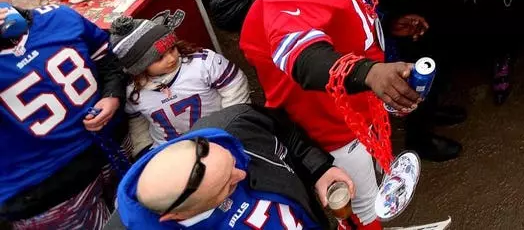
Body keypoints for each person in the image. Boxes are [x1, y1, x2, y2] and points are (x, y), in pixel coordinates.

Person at [238, 0, 476, 224]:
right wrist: (368, 72)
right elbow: (301, 54)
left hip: (360, 113)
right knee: (363, 212)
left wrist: (386, 27)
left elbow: (346, 12)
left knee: (375, 187)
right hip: (333, 132)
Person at [109, 104, 354, 230]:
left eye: (233, 161)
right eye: (228, 185)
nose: (243, 174)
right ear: (177, 216)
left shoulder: (235, 125)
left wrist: (318, 169)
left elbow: (285, 133)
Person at [0, 0, 125, 229]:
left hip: (111, 147)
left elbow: (107, 60)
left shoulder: (58, 17)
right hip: (47, 190)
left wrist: (113, 96)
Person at [109, 10, 250, 153]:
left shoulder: (202, 63)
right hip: (173, 152)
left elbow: (234, 85)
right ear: (139, 67)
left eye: (172, 49)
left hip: (220, 136)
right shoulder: (134, 92)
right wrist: (144, 148)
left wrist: (232, 124)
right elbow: (137, 119)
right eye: (159, 58)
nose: (171, 58)